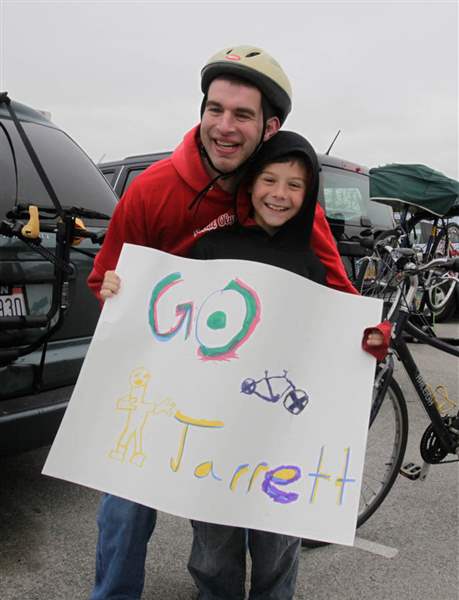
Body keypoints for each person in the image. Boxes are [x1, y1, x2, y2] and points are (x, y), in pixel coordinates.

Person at [88, 45, 374, 600]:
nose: (224, 125)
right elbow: (105, 278)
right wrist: (115, 291)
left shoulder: (276, 192)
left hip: (241, 391)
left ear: (269, 127)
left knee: (237, 517)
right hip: (156, 374)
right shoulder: (152, 190)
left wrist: (364, 333)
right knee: (125, 507)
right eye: (214, 109)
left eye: (241, 114)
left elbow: (335, 292)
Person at [183, 130, 386, 600]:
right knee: (213, 549)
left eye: (295, 185)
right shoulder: (211, 250)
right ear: (250, 183)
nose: (280, 194)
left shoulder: (313, 266)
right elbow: (174, 323)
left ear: (309, 193)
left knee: (277, 550)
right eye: (270, 179)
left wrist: (369, 339)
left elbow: (334, 342)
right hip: (215, 433)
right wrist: (120, 289)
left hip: (284, 440)